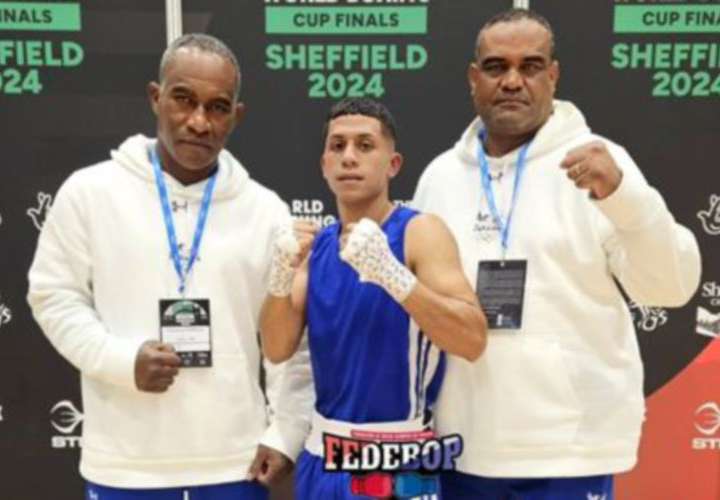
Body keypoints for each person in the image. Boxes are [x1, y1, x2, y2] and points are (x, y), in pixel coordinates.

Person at [412, 8, 702, 500]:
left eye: (529, 66)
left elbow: (672, 287)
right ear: (473, 78)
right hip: (462, 447)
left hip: (568, 451)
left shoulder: (599, 162)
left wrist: (624, 196)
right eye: (496, 66)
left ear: (553, 75)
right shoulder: (440, 177)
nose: (512, 81)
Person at [27, 34, 312, 500]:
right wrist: (121, 361)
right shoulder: (89, 193)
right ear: (155, 98)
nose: (199, 121)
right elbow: (53, 297)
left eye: (218, 107)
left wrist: (285, 431)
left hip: (234, 463)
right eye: (183, 99)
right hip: (124, 465)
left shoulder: (266, 211)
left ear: (235, 117)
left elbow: (291, 337)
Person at [258, 97, 488, 499]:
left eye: (365, 146)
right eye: (337, 146)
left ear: (392, 164)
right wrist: (279, 278)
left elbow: (472, 339)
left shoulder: (420, 232)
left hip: (398, 465)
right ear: (324, 165)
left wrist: (392, 275)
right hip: (322, 460)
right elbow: (276, 349)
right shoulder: (316, 249)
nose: (349, 157)